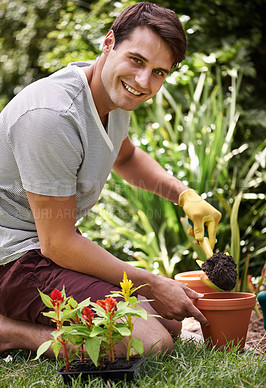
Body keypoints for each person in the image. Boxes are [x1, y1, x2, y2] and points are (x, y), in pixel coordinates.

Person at [0, 2, 221, 358]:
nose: (143, 82)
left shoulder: (108, 98)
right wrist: (151, 283)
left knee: (172, 324)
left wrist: (185, 196)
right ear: (108, 42)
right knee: (149, 341)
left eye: (159, 72)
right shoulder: (52, 117)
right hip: (11, 260)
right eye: (136, 60)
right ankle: (10, 332)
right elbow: (57, 243)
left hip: (42, 250)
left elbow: (127, 157)